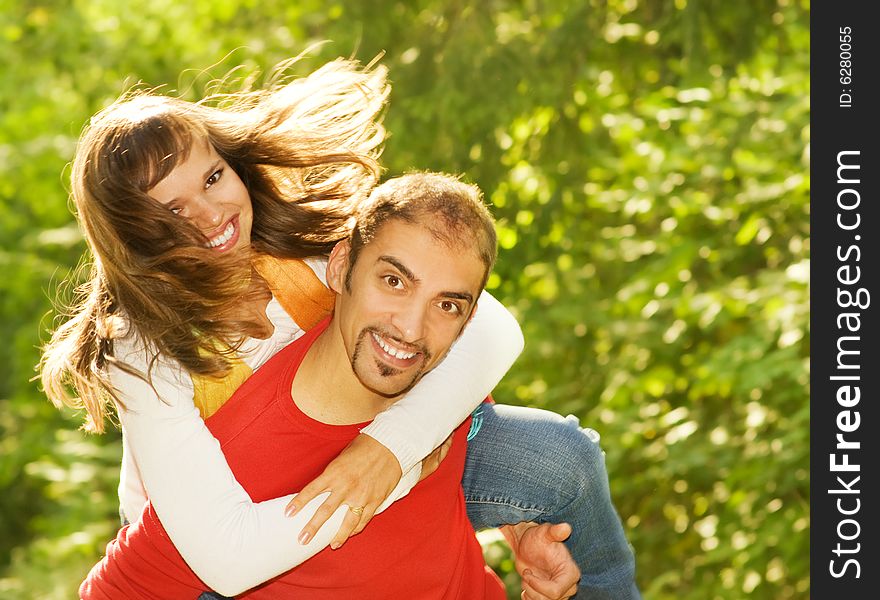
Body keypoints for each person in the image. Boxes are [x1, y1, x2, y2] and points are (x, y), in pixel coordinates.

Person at [40, 57, 639, 598]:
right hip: (222, 538)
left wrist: (391, 448)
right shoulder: (141, 352)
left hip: (358, 452)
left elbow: (492, 326)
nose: (210, 214)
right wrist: (402, 469)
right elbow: (224, 554)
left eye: (212, 178)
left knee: (565, 459)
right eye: (171, 211)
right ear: (133, 234)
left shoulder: (298, 249)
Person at [80, 172, 583, 599]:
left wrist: (511, 519)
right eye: (393, 281)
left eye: (447, 305)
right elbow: (141, 579)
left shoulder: (425, 364)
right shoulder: (179, 399)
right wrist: (397, 466)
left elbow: (489, 336)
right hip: (198, 526)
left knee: (566, 454)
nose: (411, 328)